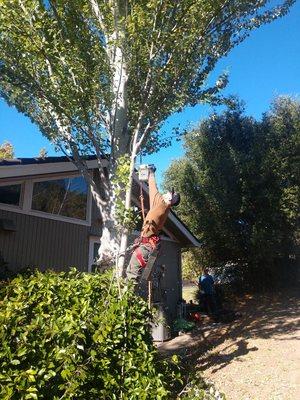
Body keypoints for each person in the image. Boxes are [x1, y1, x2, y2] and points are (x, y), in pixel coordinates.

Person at [126, 166, 180, 283]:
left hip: (147, 246)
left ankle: (127, 299)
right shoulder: (161, 206)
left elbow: (153, 189)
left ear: (171, 199)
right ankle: (129, 294)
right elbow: (154, 193)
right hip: (149, 245)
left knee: (132, 274)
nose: (166, 193)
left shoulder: (161, 204)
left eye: (170, 194)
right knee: (134, 272)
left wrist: (151, 173)